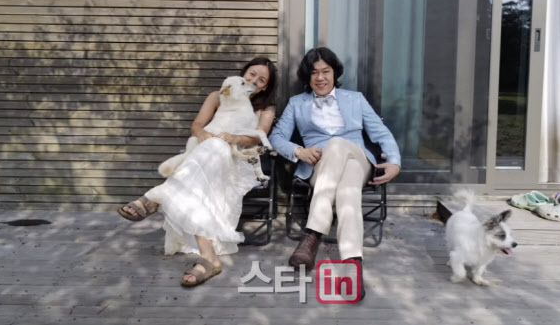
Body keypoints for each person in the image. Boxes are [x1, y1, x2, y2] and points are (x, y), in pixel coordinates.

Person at [117, 57, 277, 287]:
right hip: (207, 152)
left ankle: (156, 197)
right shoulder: (218, 95)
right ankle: (208, 256)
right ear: (244, 72)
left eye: (261, 80)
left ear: (265, 87)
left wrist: (232, 138)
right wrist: (206, 137)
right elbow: (197, 125)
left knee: (212, 152)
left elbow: (256, 139)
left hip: (238, 159)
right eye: (252, 74)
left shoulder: (265, 109)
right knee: (209, 155)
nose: (254, 81)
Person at [269, 47, 401, 280]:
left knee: (338, 144)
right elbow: (276, 137)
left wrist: (394, 162)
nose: (320, 77)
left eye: (325, 71)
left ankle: (312, 234)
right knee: (348, 191)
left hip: (357, 158)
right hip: (319, 165)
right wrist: (299, 151)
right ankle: (352, 263)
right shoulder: (297, 103)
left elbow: (381, 132)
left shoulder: (355, 99)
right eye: (314, 72)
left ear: (334, 73)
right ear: (307, 76)